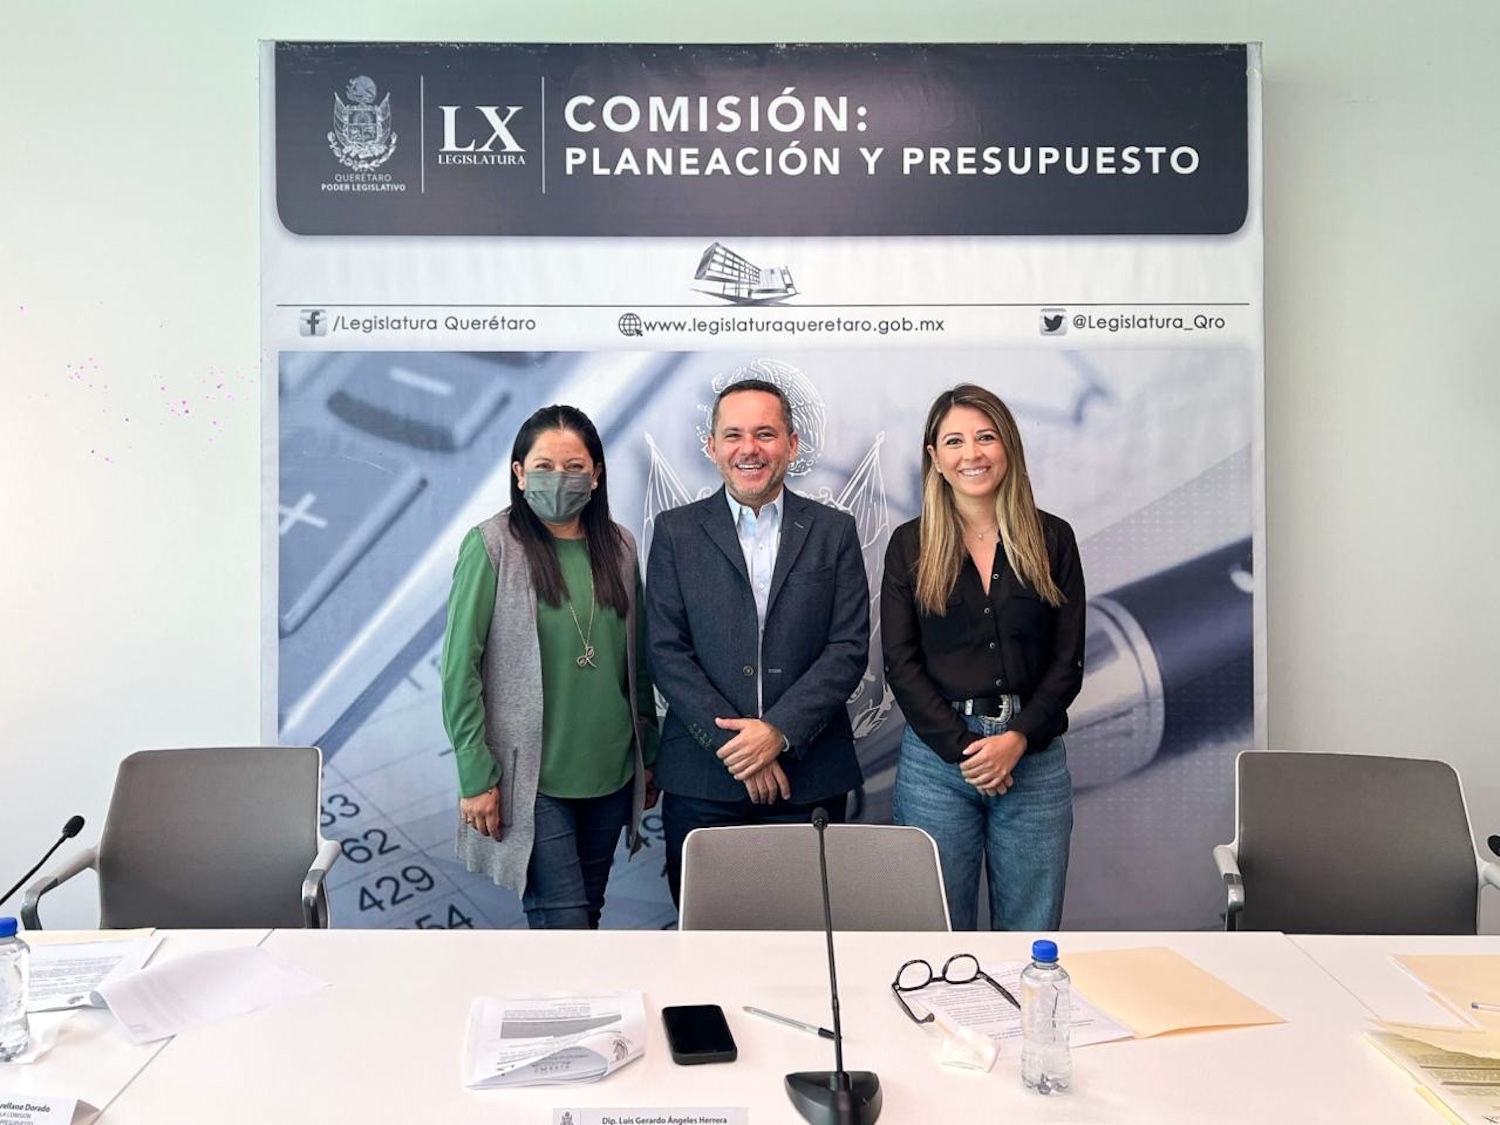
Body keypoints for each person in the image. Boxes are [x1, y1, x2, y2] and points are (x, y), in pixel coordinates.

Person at [646, 378, 870, 905]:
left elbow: (848, 648)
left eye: (765, 434)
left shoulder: (834, 531)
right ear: (712, 446)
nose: (749, 448)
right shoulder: (675, 532)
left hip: (809, 777)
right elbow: (666, 651)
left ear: (791, 444)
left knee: (805, 933)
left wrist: (778, 733)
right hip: (703, 779)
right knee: (705, 933)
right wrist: (740, 749)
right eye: (734, 435)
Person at [440, 404, 659, 929]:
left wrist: (648, 753)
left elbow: (639, 662)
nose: (559, 478)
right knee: (565, 926)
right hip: (533, 781)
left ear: (596, 473)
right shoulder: (492, 545)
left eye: (574, 466)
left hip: (611, 773)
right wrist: (474, 774)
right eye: (543, 466)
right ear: (519, 473)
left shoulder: (621, 547)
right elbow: (459, 670)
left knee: (586, 918)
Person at [881, 384, 1085, 931]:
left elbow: (1067, 662)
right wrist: (968, 750)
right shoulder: (909, 546)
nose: (971, 454)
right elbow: (901, 664)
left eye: (985, 437)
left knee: (1030, 932)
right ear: (934, 457)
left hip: (1034, 760)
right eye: (954, 441)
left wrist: (1015, 741)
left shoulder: (1053, 539)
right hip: (936, 765)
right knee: (936, 932)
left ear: (1008, 445)